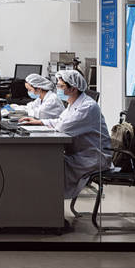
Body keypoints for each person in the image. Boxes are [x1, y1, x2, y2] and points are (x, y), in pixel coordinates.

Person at [20, 70, 112, 199]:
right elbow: (61, 121)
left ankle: (51, 210)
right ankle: (44, 207)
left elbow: (63, 126)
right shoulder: (73, 103)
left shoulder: (87, 107)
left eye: (61, 86)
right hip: (81, 152)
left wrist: (44, 122)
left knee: (50, 165)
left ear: (73, 88)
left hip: (92, 156)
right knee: (45, 162)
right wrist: (40, 121)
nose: (57, 89)